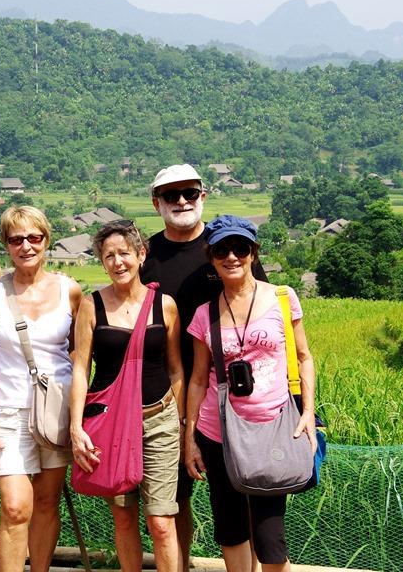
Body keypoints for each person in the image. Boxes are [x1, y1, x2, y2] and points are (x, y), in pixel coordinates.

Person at [140, 164, 268, 572]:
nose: (181, 201)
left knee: (244, 494)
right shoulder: (146, 257)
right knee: (173, 499)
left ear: (203, 197)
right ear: (156, 203)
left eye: (189, 193)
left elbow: (267, 312)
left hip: (237, 400)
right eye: (171, 195)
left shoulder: (228, 247)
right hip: (165, 396)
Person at [184, 215, 317, 572]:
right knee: (230, 527)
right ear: (211, 258)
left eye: (240, 248)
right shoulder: (204, 314)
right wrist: (190, 438)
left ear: (253, 253)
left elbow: (304, 357)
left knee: (269, 535)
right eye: (222, 250)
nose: (232, 257)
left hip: (272, 428)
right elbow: (198, 380)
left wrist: (307, 412)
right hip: (218, 434)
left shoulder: (282, 298)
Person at [0, 206, 83, 572]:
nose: (26, 246)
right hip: (8, 411)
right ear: (6, 244)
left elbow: (79, 355)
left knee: (48, 503)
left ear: (46, 240)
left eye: (34, 237)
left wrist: (76, 414)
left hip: (56, 412)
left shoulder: (70, 291)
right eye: (16, 239)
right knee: (16, 507)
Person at [70, 220, 186, 572]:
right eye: (109, 256)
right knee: (123, 517)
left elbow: (176, 369)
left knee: (161, 521)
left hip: (159, 420)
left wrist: (180, 423)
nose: (117, 262)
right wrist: (76, 427)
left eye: (124, 253)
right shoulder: (91, 305)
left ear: (141, 255)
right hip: (112, 425)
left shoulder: (164, 305)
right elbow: (80, 369)